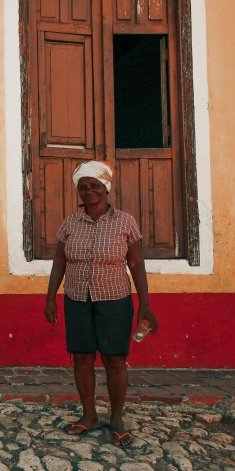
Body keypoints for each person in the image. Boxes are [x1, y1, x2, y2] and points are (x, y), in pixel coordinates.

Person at [44, 160, 158, 447]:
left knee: (114, 360)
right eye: (83, 187)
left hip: (114, 300)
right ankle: (89, 416)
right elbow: (60, 261)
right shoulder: (70, 222)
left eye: (95, 185)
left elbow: (136, 262)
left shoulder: (125, 221)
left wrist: (144, 304)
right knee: (82, 358)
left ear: (105, 188)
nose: (89, 191)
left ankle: (116, 418)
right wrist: (50, 298)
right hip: (77, 299)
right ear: (78, 192)